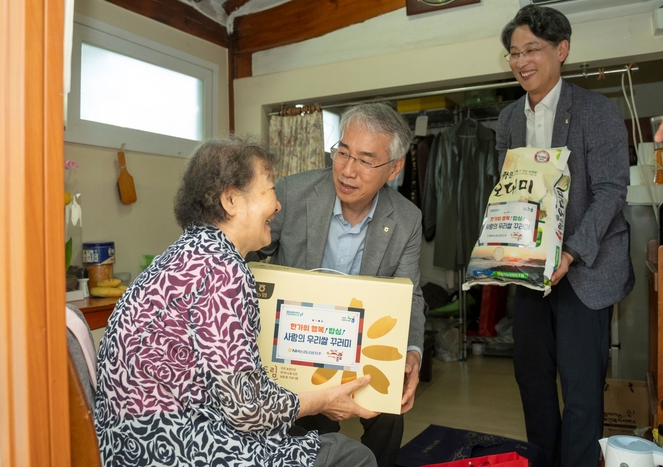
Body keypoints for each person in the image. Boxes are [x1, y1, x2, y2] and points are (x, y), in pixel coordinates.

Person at [94, 137, 378, 467]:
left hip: (128, 445)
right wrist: (324, 399)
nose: (278, 206)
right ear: (231, 199)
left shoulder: (181, 255)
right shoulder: (221, 269)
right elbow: (247, 409)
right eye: (269, 190)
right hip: (174, 448)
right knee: (351, 456)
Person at [496, 6, 634, 467]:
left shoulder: (598, 111)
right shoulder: (509, 118)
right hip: (530, 270)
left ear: (562, 49)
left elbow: (613, 190)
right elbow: (508, 195)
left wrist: (571, 253)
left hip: (585, 269)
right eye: (514, 53)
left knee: (580, 390)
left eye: (532, 49)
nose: (521, 61)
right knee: (532, 382)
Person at [254, 102, 425, 467]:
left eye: (365, 160)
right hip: (296, 343)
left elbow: (410, 293)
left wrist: (412, 351)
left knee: (389, 412)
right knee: (306, 430)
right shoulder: (293, 192)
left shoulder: (407, 218)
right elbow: (249, 253)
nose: (348, 170)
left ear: (394, 168)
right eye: (342, 153)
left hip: (362, 345)